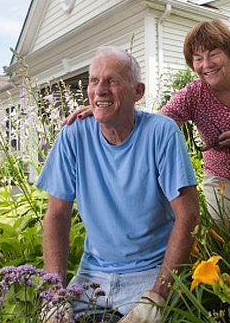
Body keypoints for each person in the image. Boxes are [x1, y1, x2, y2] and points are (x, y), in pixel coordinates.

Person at [66, 19, 230, 218]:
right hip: (221, 173)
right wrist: (109, 107)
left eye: (214, 54)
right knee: (223, 228)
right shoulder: (194, 94)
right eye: (198, 58)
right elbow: (158, 123)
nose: (206, 64)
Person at [38, 47, 199, 322]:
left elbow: (188, 215)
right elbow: (57, 214)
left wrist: (157, 296)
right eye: (93, 81)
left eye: (112, 81)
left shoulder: (161, 133)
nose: (100, 90)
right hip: (92, 276)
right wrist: (54, 292)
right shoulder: (73, 135)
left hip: (150, 273)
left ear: (138, 91)